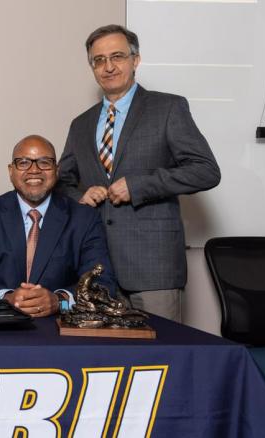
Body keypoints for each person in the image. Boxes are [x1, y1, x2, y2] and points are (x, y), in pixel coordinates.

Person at [56, 24, 220, 322]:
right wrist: (81, 195)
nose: (108, 67)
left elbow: (206, 171)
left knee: (159, 359)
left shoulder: (168, 108)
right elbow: (61, 182)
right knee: (108, 364)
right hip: (96, 269)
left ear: (136, 60)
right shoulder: (80, 124)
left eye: (117, 56)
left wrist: (140, 186)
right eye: (99, 60)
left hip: (153, 267)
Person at [0, 135, 116, 317]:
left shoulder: (84, 218)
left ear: (57, 171)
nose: (34, 170)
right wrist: (7, 298)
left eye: (44, 162)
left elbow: (103, 282)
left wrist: (60, 301)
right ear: (11, 171)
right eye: (23, 162)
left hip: (60, 327)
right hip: (1, 327)